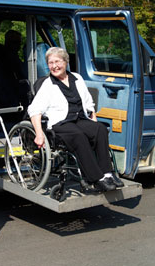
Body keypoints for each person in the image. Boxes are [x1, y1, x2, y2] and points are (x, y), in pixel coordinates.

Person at [28, 47, 124, 192]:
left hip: (79, 118)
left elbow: (89, 103)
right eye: (50, 63)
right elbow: (34, 110)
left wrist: (94, 122)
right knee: (78, 135)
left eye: (57, 62)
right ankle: (95, 178)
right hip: (60, 122)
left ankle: (107, 173)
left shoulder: (77, 78)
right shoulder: (48, 85)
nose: (54, 66)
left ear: (65, 61)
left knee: (100, 130)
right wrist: (39, 134)